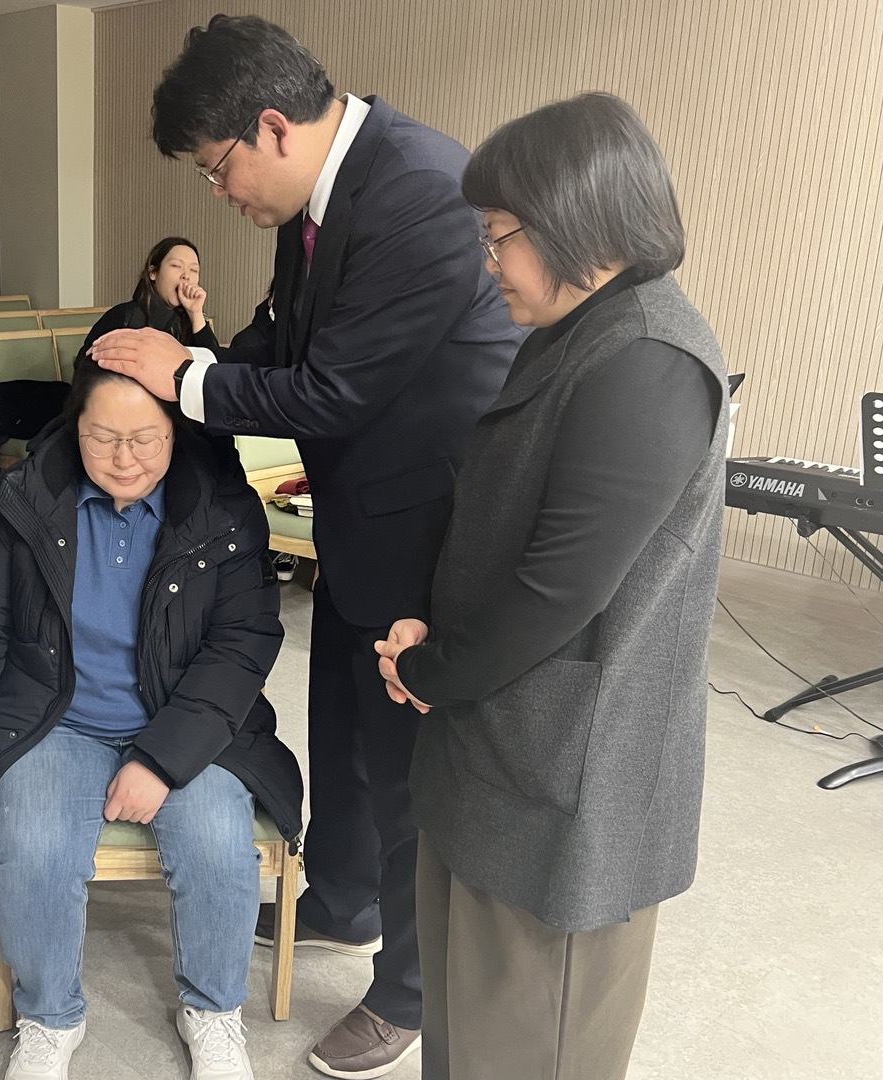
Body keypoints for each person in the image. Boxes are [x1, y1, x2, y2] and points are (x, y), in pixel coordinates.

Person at [90, 15, 519, 1076]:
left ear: (273, 127)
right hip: (360, 516)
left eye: (217, 167)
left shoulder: (419, 192)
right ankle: (343, 897)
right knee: (341, 721)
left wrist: (185, 380)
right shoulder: (320, 199)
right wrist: (181, 371)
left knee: (406, 763)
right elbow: (281, 339)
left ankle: (411, 991)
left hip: (430, 528)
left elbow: (331, 390)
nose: (219, 193)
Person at [373, 93, 727, 1080]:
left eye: (498, 236)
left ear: (575, 220)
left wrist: (430, 671)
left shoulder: (648, 358)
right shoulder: (576, 328)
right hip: (499, 743)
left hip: (566, 772)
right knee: (466, 1036)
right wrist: (431, 636)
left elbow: (556, 590)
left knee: (528, 1048)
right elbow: (501, 518)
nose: (488, 261)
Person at [0, 358, 303, 1080]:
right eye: (102, 438)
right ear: (74, 429)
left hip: (182, 717)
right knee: (36, 847)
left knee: (218, 846)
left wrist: (161, 759)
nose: (124, 459)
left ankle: (213, 1012)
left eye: (145, 439)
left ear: (177, 433)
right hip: (54, 716)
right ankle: (49, 1018)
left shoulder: (222, 506)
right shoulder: (26, 498)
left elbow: (242, 642)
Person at [75, 237, 218, 374]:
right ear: (153, 273)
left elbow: (216, 370)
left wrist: (195, 312)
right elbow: (85, 369)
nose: (186, 275)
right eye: (176, 265)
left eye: (194, 270)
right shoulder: (125, 316)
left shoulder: (191, 321)